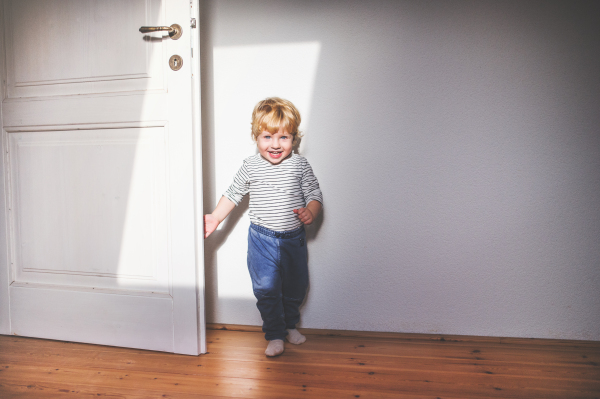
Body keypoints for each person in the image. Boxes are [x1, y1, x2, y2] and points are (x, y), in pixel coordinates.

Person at [204, 97, 323, 357]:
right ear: (256, 136)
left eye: (284, 138)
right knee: (266, 289)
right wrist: (215, 217)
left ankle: (290, 325)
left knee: (296, 288)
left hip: (294, 240)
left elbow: (315, 194)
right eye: (268, 137)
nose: (276, 145)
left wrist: (310, 212)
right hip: (262, 240)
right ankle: (275, 333)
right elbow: (233, 194)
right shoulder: (250, 166)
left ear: (294, 138)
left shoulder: (300, 165)